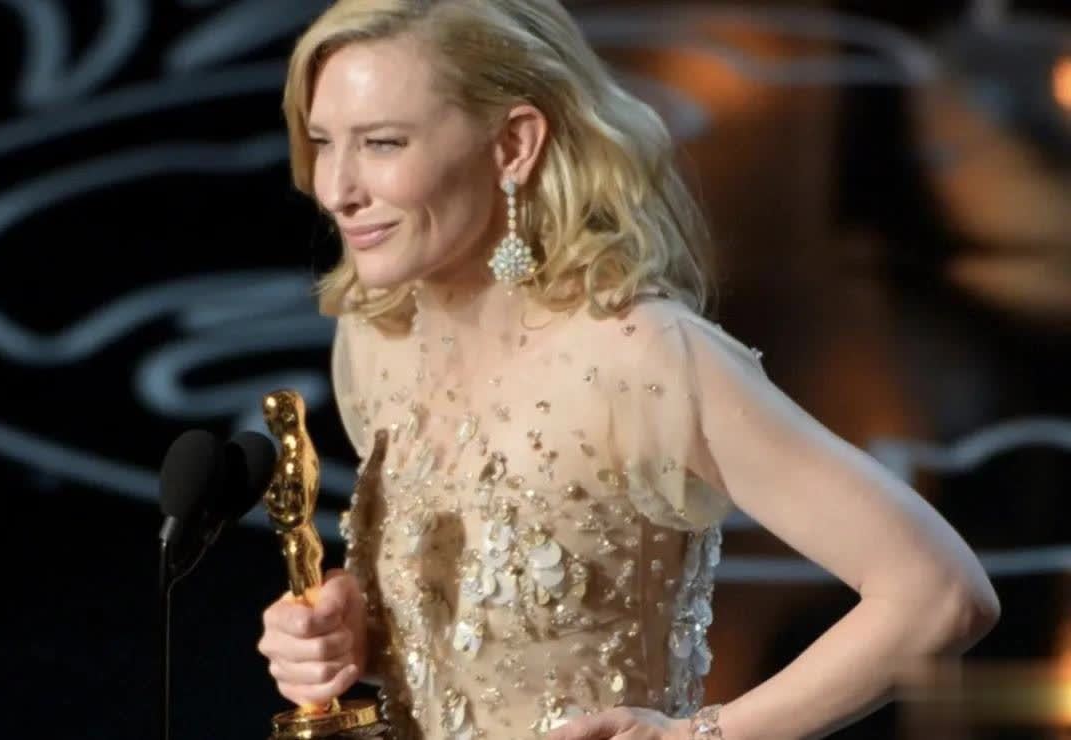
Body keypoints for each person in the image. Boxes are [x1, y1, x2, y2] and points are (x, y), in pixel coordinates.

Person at [256, 1, 1000, 738]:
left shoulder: (642, 358)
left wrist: (700, 738)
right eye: (323, 143)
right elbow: (466, 642)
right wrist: (350, 636)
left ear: (513, 144)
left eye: (383, 144)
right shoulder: (377, 333)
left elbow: (937, 593)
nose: (337, 188)